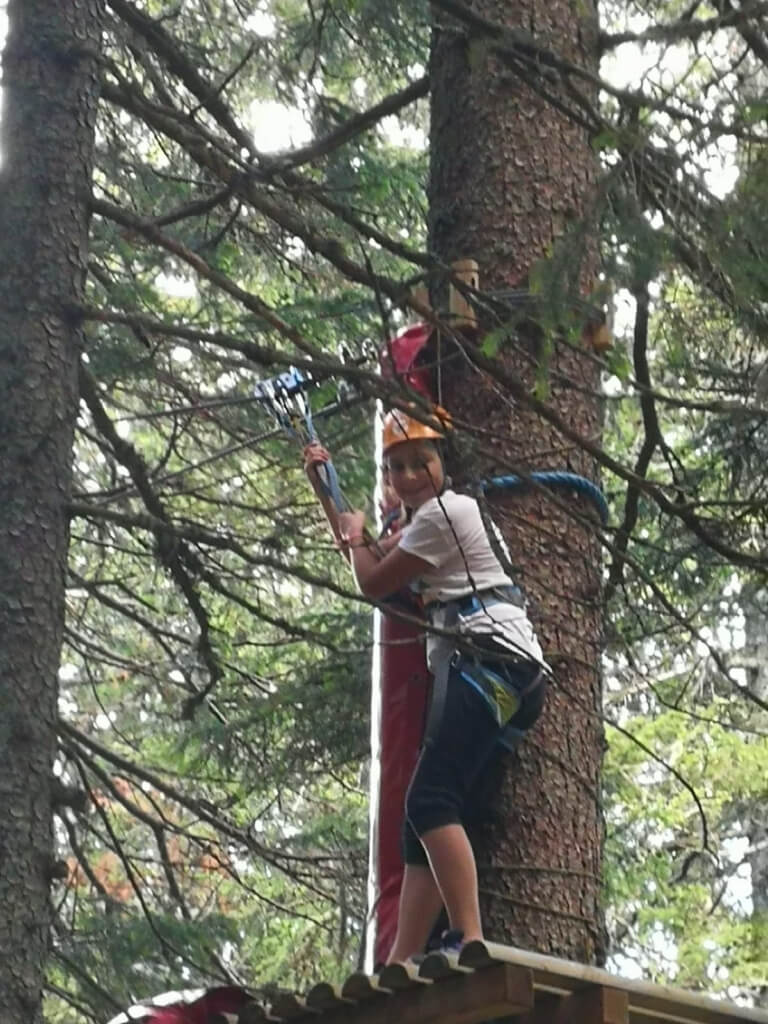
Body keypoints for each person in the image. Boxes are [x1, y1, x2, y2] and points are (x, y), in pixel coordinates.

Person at [303, 406, 547, 963]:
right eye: (397, 468)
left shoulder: (442, 513)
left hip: (488, 661)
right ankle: (400, 964)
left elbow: (369, 578)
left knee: (431, 800)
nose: (409, 476)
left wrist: (353, 525)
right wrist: (329, 495)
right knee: (428, 820)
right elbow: (370, 559)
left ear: (445, 465)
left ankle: (470, 937)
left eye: (421, 462)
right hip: (516, 674)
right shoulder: (435, 519)